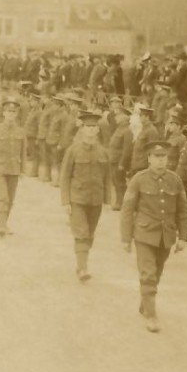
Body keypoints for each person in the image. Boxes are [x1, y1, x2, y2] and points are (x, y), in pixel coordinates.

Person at [120, 141, 187, 333]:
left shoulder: (175, 180)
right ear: (149, 158)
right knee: (148, 274)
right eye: (157, 157)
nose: (161, 161)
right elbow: (127, 209)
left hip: (166, 235)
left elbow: (183, 209)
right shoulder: (139, 179)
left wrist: (184, 236)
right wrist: (125, 238)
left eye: (164, 157)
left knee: (157, 273)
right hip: (144, 234)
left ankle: (146, 302)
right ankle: (151, 315)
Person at [59, 112, 112, 281]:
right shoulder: (73, 150)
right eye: (87, 127)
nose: (90, 130)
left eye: (94, 127)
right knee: (82, 233)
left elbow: (107, 178)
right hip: (78, 199)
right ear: (82, 129)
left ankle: (81, 262)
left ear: (97, 130)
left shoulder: (103, 152)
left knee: (89, 234)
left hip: (95, 200)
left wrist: (108, 201)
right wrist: (66, 201)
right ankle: (83, 268)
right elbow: (65, 176)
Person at [0, 97, 24, 237]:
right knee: (3, 197)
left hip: (14, 169)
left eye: (13, 112)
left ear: (16, 114)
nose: (11, 114)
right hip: (0, 169)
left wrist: (23, 170)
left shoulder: (21, 131)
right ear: (3, 113)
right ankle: (1, 226)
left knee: (11, 199)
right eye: (8, 111)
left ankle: (5, 223)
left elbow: (23, 152)